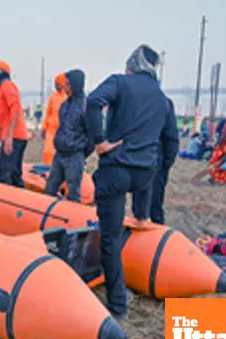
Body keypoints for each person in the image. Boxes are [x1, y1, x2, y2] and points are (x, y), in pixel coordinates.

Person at [86, 44, 175, 319]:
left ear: (131, 65)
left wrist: (99, 140)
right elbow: (171, 142)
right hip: (145, 174)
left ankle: (118, 306)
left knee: (110, 239)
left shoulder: (120, 83)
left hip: (117, 169)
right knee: (141, 220)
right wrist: (158, 169)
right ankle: (142, 217)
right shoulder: (163, 99)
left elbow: (93, 102)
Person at [44, 70, 88, 202]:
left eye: (68, 85)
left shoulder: (86, 106)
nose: (65, 88)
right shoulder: (65, 105)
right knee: (49, 189)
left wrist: (81, 152)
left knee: (73, 192)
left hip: (74, 155)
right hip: (60, 153)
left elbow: (92, 133)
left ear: (75, 85)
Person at [0, 61, 29, 187]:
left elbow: (15, 111)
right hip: (13, 136)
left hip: (15, 136)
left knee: (5, 175)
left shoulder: (7, 87)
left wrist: (9, 139)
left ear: (3, 73)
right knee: (14, 174)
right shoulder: (3, 89)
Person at [149, 98, 179, 224]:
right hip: (156, 162)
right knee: (154, 206)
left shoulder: (131, 98)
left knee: (146, 207)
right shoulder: (164, 102)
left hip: (139, 161)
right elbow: (171, 136)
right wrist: (167, 162)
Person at [41, 73, 68, 165]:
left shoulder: (68, 97)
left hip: (64, 130)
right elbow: (48, 113)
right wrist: (44, 128)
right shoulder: (53, 97)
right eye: (55, 84)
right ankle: (47, 168)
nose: (56, 86)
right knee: (47, 152)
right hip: (52, 129)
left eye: (58, 84)